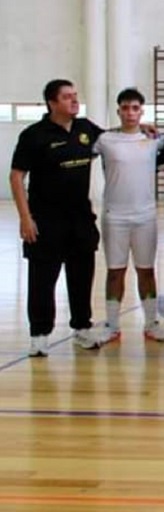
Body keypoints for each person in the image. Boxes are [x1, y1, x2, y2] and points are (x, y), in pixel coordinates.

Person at [11, 79, 108, 355]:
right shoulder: (34, 135)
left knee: (81, 276)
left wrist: (141, 130)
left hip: (80, 219)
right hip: (45, 220)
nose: (74, 101)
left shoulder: (85, 128)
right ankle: (39, 335)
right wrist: (25, 217)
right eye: (67, 97)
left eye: (75, 96)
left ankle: (82, 328)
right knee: (42, 279)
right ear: (52, 103)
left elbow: (114, 140)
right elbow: (17, 176)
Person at [94, 88, 164, 342]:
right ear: (118, 111)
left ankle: (151, 323)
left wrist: (154, 130)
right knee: (115, 271)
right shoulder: (104, 140)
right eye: (125, 108)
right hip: (114, 216)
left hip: (145, 217)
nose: (130, 113)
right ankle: (112, 325)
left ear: (141, 111)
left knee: (146, 270)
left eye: (135, 108)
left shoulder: (154, 140)